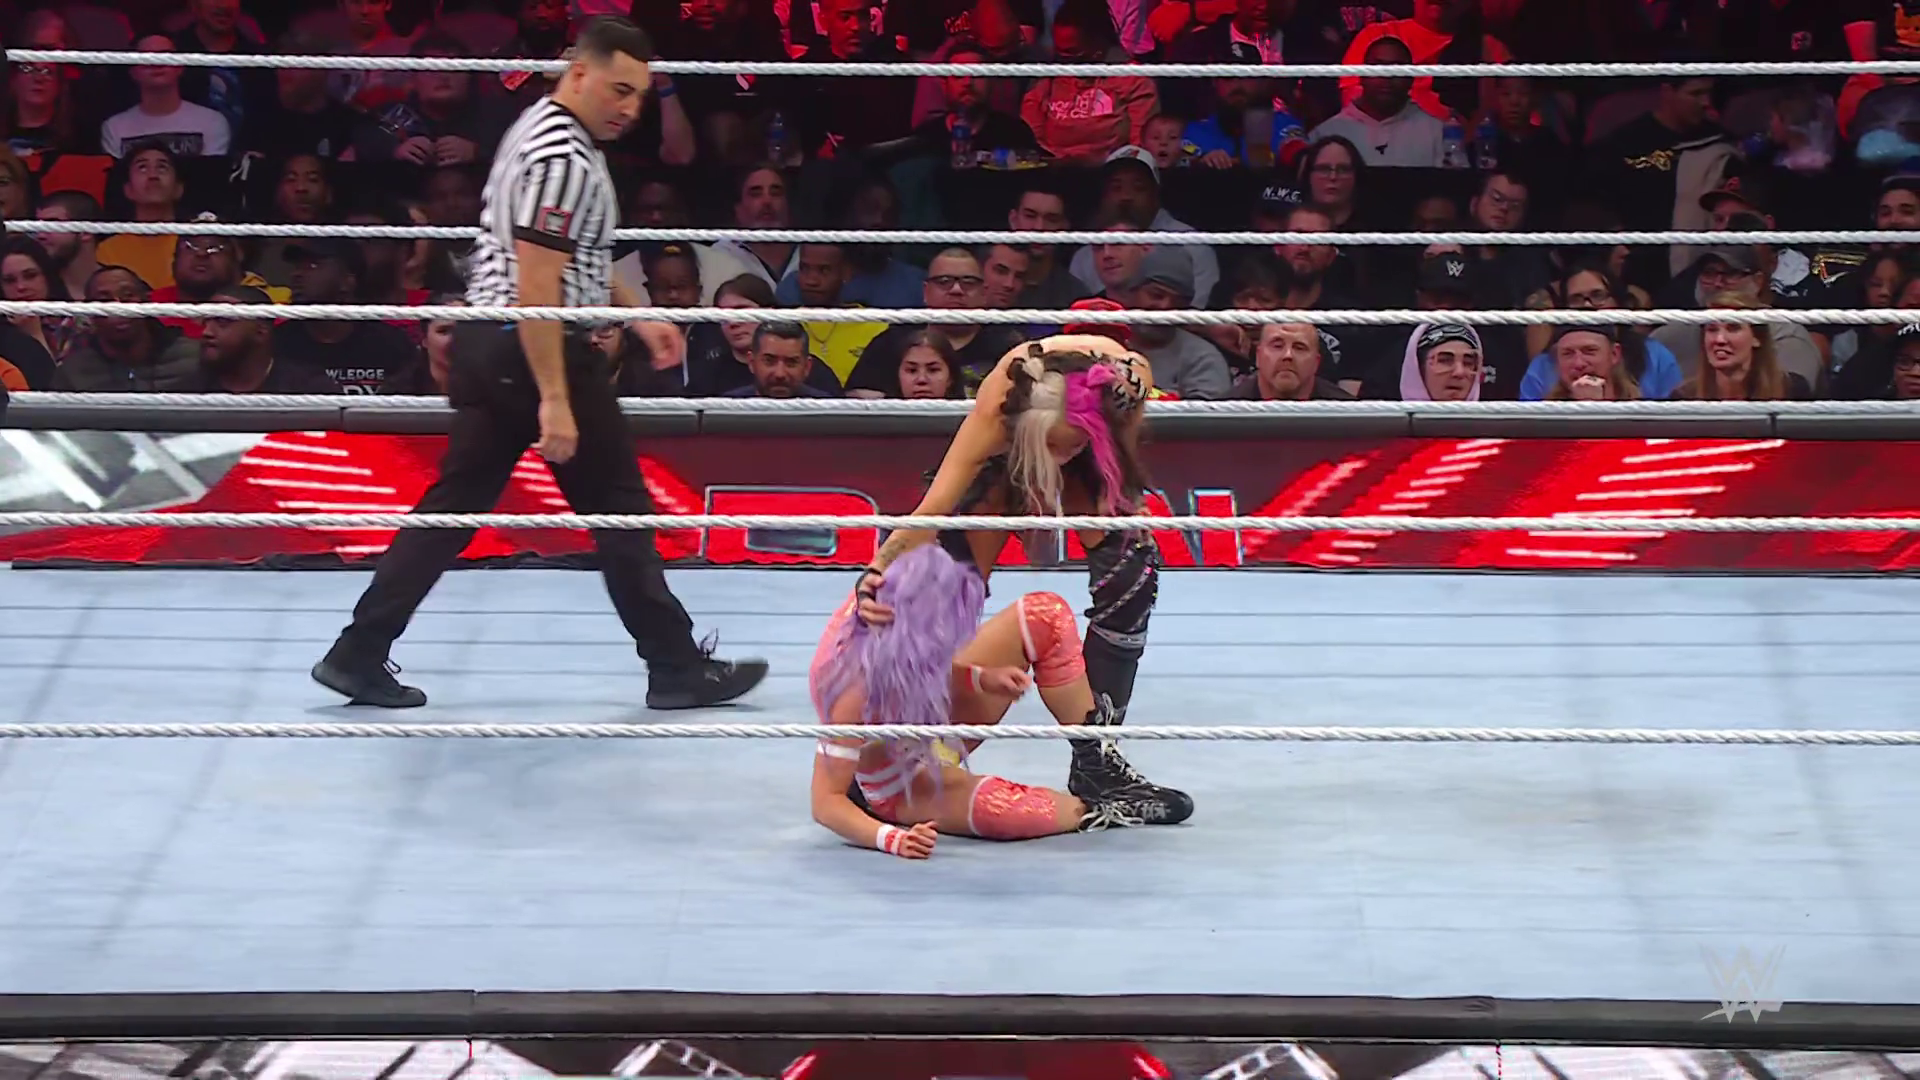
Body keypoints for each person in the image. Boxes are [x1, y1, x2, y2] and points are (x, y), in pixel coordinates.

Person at [312, 17, 767, 712]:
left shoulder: (541, 126)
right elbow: (538, 279)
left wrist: (636, 312)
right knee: (618, 510)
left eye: (639, 96)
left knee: (454, 509)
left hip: (497, 343)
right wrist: (553, 395)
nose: (628, 109)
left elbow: (573, 257)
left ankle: (357, 652)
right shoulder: (562, 158)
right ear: (579, 72)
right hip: (530, 345)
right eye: (618, 89)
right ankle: (675, 666)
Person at [852, 319, 1192, 814]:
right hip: (1014, 452)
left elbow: (1120, 462)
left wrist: (1122, 494)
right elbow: (933, 509)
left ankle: (1097, 762)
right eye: (1053, 446)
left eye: (1068, 445)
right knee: (939, 572)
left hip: (1099, 444)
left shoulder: (1123, 390)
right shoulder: (998, 411)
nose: (1060, 457)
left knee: (1131, 571)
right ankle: (895, 743)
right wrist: (877, 570)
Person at [810, 544, 1189, 858]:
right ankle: (1102, 810)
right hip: (901, 781)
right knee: (1017, 811)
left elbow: (925, 665)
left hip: (932, 727)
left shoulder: (902, 616)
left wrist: (982, 678)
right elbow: (825, 801)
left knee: (1045, 613)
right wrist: (890, 839)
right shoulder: (853, 684)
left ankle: (1097, 767)